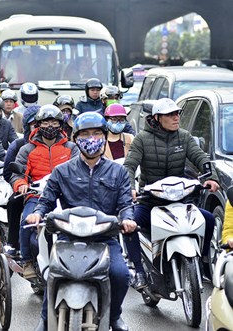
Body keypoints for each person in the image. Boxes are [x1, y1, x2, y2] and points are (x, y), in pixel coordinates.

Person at [26, 112, 137, 331]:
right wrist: (37, 213)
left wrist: (127, 220)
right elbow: (46, 200)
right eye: (85, 134)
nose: (91, 138)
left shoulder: (118, 172)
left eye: (96, 133)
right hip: (69, 237)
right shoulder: (62, 171)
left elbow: (126, 204)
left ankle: (114, 316)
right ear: (75, 138)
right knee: (54, 273)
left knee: (120, 274)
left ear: (105, 137)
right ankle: (45, 319)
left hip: (105, 238)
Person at [123, 97, 220, 288]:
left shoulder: (184, 136)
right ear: (158, 118)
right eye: (171, 114)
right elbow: (129, 165)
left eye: (177, 113)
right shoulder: (142, 139)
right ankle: (138, 271)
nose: (176, 117)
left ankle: (203, 263)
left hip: (180, 199)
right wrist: (130, 189)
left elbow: (200, 157)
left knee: (208, 220)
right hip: (150, 201)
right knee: (129, 225)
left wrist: (212, 177)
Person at [10, 105, 79, 278]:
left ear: (61, 125)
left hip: (65, 197)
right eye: (46, 122)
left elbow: (80, 170)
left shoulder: (71, 148)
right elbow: (17, 174)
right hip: (36, 196)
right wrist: (21, 184)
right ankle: (26, 261)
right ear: (38, 125)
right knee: (27, 221)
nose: (50, 126)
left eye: (54, 122)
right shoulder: (27, 149)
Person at [3, 105, 41, 255]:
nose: (38, 128)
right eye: (34, 125)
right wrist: (21, 185)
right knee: (14, 202)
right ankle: (13, 242)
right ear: (27, 126)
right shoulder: (19, 146)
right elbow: (8, 172)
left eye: (41, 124)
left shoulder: (63, 146)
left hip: (50, 189)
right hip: (27, 189)